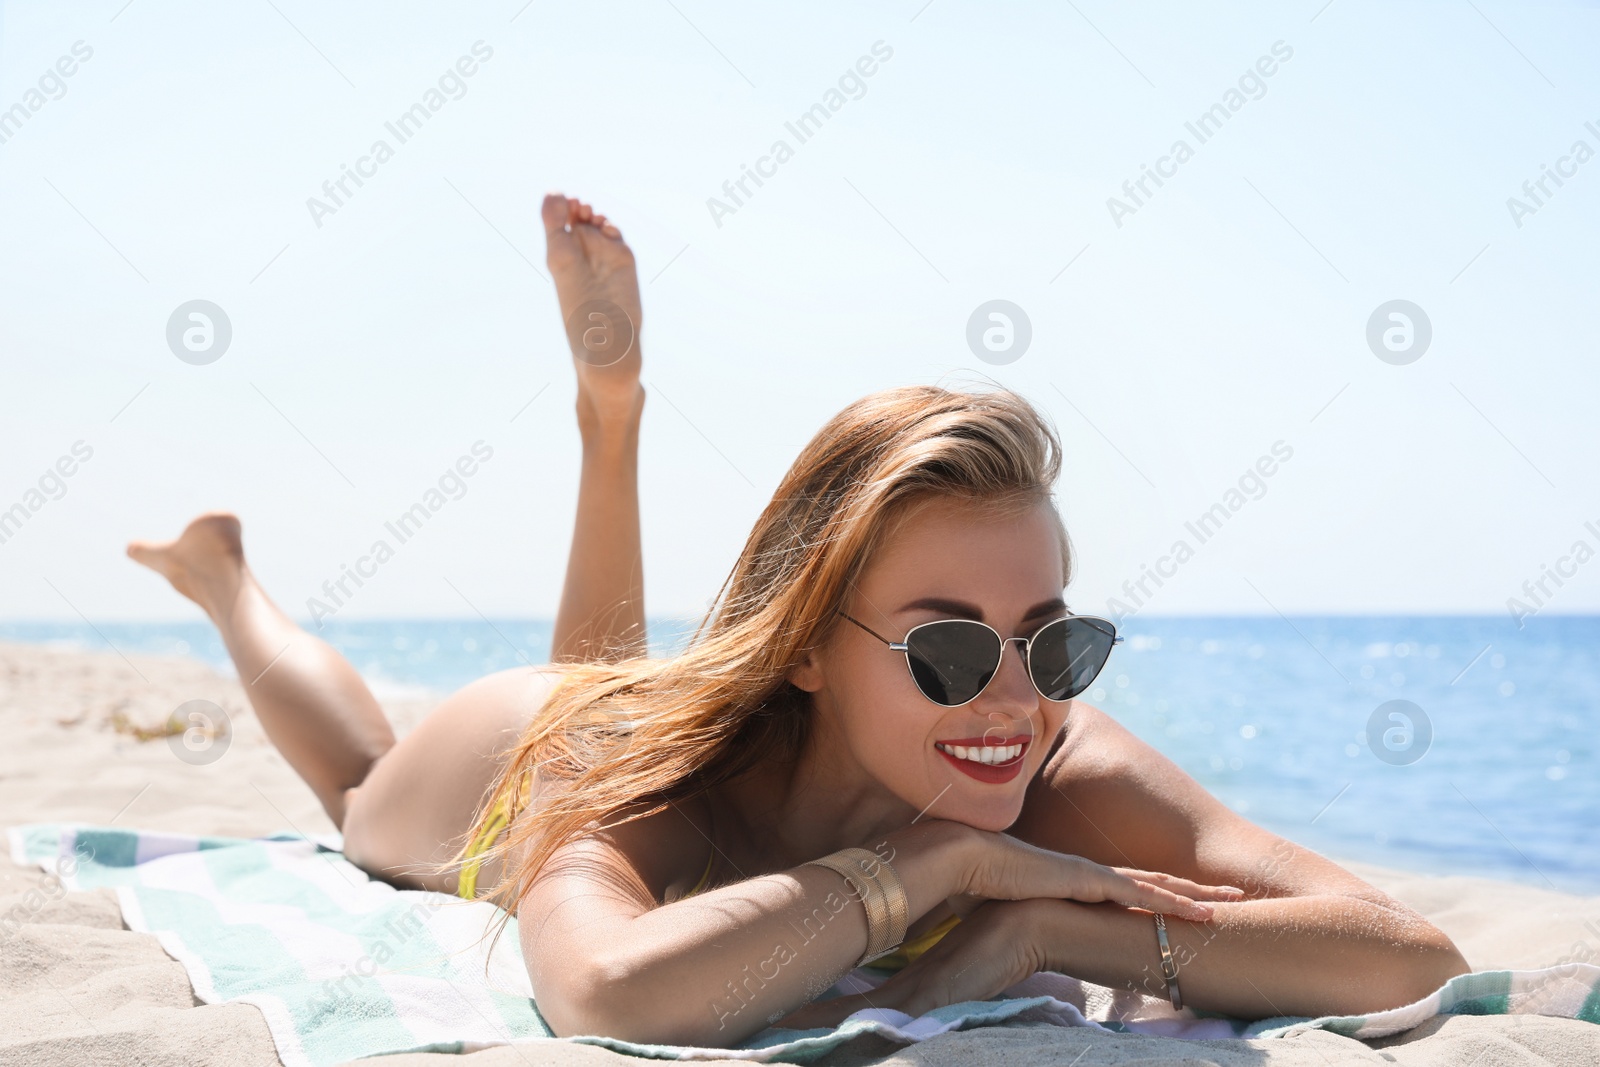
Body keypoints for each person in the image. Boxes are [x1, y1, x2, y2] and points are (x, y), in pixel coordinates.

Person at [127, 194, 1470, 1048]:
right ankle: (227, 578)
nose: (1013, 699)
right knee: (367, 788)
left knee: (628, 680)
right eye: (947, 648)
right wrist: (927, 874)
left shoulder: (1058, 760)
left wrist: (1062, 930)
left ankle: (609, 416)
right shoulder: (659, 805)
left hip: (674, 703)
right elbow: (606, 992)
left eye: (1053, 639)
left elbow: (1407, 952)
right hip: (522, 753)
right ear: (814, 646)